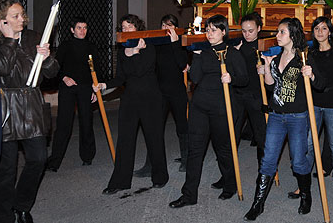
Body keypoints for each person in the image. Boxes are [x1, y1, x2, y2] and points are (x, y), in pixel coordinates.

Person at [0, 0, 59, 223]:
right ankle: (2, 217)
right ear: (0, 21)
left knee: (38, 159)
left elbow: (53, 72)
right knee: (5, 171)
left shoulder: (34, 37)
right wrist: (9, 40)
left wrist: (45, 59)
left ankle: (22, 205)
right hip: (5, 110)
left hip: (32, 107)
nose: (21, 19)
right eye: (15, 17)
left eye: (22, 14)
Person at [243, 17, 325, 220]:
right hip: (276, 116)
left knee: (298, 161)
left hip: (298, 116)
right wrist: (267, 69)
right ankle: (258, 203)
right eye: (278, 32)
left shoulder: (304, 57)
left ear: (292, 35)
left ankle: (306, 195)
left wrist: (312, 75)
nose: (277, 36)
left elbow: (321, 84)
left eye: (281, 32)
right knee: (268, 160)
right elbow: (271, 87)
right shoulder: (277, 56)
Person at [169, 14, 248, 208]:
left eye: (214, 30)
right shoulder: (202, 52)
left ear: (223, 31)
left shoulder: (232, 53)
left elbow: (244, 79)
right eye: (207, 30)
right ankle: (189, 195)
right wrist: (195, 56)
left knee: (223, 149)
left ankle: (229, 184)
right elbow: (194, 78)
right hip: (200, 107)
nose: (209, 33)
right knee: (195, 150)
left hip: (222, 108)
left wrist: (232, 79)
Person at [93, 14, 169, 195]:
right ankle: (120, 181)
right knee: (125, 140)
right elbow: (121, 77)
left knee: (154, 138)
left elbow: (141, 70)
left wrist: (135, 52)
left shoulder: (148, 46)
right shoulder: (122, 50)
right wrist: (104, 85)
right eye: (124, 27)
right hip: (130, 99)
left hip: (150, 98)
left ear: (138, 28)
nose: (126, 30)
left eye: (130, 27)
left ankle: (160, 176)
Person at [288, 16, 333, 199]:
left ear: (330, 31)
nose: (320, 32)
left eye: (323, 28)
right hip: (313, 102)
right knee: (308, 143)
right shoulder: (309, 53)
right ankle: (303, 183)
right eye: (316, 29)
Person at [211, 12, 268, 191]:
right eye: (243, 31)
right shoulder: (236, 47)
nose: (247, 34)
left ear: (259, 29)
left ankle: (263, 175)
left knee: (261, 137)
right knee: (229, 136)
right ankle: (228, 175)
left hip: (256, 96)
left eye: (251, 31)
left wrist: (265, 68)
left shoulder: (264, 46)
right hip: (237, 95)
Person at [134, 14, 189, 177]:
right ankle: (150, 165)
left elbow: (181, 64)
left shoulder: (179, 43)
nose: (167, 29)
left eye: (170, 25)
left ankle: (186, 159)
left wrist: (175, 44)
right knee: (155, 128)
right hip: (160, 92)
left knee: (182, 126)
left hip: (177, 91)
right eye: (164, 25)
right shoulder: (156, 44)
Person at [46, 17, 99, 172]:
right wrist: (64, 77)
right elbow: (55, 67)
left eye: (84, 27)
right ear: (72, 30)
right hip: (67, 88)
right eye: (79, 27)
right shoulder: (65, 46)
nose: (82, 30)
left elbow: (96, 70)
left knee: (86, 123)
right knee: (63, 124)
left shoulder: (91, 47)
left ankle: (87, 156)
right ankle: (54, 161)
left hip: (85, 88)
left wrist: (96, 89)